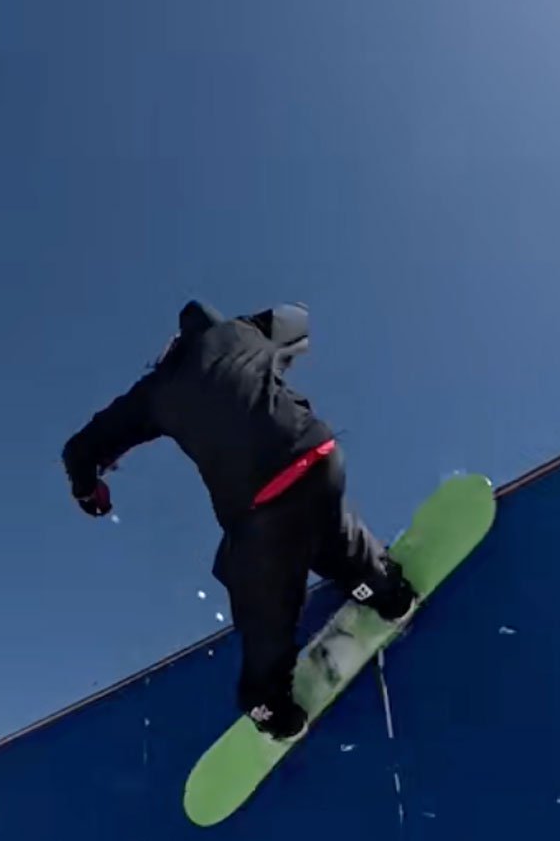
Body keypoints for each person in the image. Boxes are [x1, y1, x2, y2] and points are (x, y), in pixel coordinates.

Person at [62, 300, 415, 740]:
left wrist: (88, 490)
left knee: (263, 597)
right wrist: (274, 358)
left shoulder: (158, 388)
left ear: (172, 348)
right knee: (327, 532)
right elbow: (298, 318)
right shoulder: (247, 330)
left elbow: (80, 448)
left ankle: (267, 702)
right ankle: (382, 586)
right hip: (318, 457)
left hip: (260, 506)